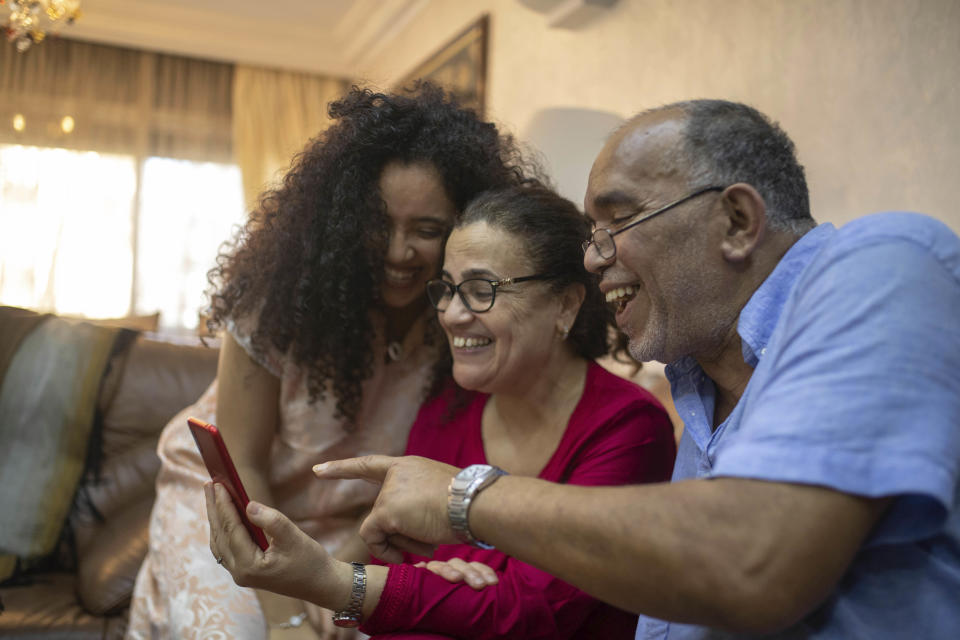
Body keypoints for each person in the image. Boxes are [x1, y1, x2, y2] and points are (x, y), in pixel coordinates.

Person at [312, 99, 960, 639]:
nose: (593, 260)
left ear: (736, 220)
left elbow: (752, 561)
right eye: (591, 234)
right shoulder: (697, 385)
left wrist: (464, 499)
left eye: (617, 221)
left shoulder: (884, 262)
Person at [127, 83, 537, 640]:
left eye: (427, 230)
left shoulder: (464, 321)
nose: (398, 251)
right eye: (379, 223)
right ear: (342, 218)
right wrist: (287, 612)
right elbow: (241, 463)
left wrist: (337, 566)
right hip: (235, 498)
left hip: (353, 525)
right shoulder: (279, 298)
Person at [205, 184, 677, 638]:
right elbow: (409, 564)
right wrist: (428, 584)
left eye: (481, 289)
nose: (451, 314)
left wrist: (336, 581)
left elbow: (532, 612)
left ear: (565, 304)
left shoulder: (631, 427)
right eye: (447, 289)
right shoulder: (448, 406)